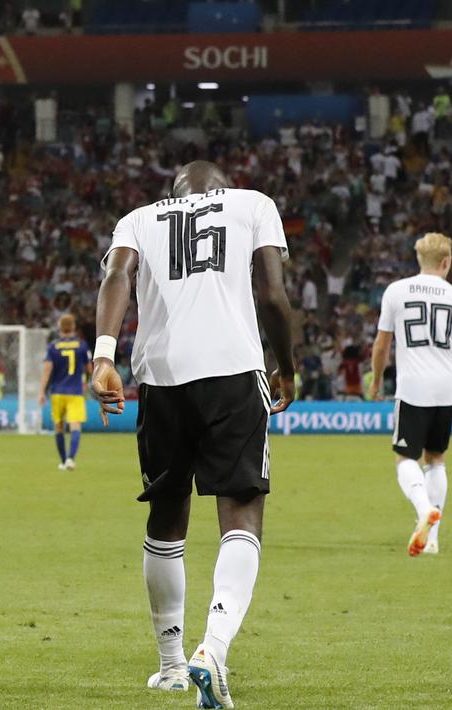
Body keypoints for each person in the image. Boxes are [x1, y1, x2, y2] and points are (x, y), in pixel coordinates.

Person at [91, 161, 296, 709]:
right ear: (220, 186)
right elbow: (273, 295)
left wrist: (103, 357)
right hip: (233, 369)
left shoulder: (138, 218)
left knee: (165, 516)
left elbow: (116, 277)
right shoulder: (252, 203)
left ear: (173, 192)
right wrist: (289, 365)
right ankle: (214, 650)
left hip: (161, 379)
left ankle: (172, 666)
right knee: (242, 512)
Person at [369, 232, 452, 557]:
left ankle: (424, 508)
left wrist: (376, 379)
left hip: (412, 387)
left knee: (404, 458)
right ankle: (433, 539)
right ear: (446, 262)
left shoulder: (396, 291)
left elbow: (382, 343)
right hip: (446, 388)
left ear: (419, 259)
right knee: (435, 458)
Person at [38, 314, 90, 470]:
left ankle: (62, 460)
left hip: (57, 392)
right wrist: (86, 382)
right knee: (75, 426)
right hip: (75, 391)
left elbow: (47, 371)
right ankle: (70, 459)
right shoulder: (81, 345)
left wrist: (41, 392)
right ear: (73, 327)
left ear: (60, 327)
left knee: (59, 427)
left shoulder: (53, 346)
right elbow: (89, 368)